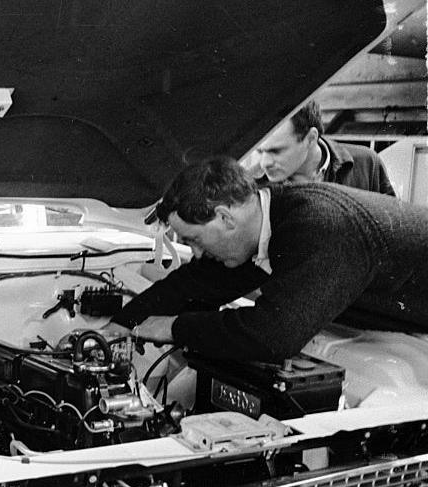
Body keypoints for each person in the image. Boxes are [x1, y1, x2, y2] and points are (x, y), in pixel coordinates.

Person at [106, 156, 428, 361]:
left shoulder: (318, 226)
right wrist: (122, 325)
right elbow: (195, 282)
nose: (198, 253)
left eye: (194, 240)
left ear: (224, 218)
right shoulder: (263, 218)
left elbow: (273, 336)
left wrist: (174, 328)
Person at [254, 100, 394, 195]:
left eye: (276, 151)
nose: (264, 163)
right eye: (260, 151)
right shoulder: (252, 185)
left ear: (311, 138)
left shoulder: (366, 164)